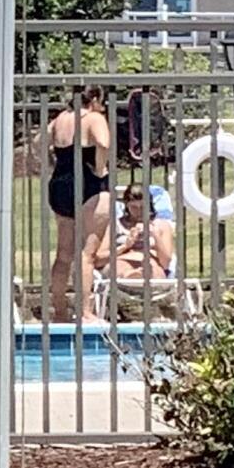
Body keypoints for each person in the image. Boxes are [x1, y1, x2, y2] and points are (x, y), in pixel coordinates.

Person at [44, 87, 115, 322]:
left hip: (60, 182)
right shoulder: (93, 118)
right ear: (93, 99)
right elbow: (103, 142)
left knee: (64, 253)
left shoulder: (59, 120)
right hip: (87, 182)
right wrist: (100, 168)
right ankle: (85, 311)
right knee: (87, 252)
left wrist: (52, 163)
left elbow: (39, 142)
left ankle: (60, 311)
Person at [92, 182, 178, 290]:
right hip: (120, 262)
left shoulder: (161, 226)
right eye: (134, 207)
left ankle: (137, 277)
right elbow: (98, 260)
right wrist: (125, 246)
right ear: (126, 205)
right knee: (121, 269)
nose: (139, 211)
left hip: (151, 264)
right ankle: (133, 277)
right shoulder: (115, 225)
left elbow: (166, 263)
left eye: (143, 207)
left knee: (152, 271)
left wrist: (155, 235)